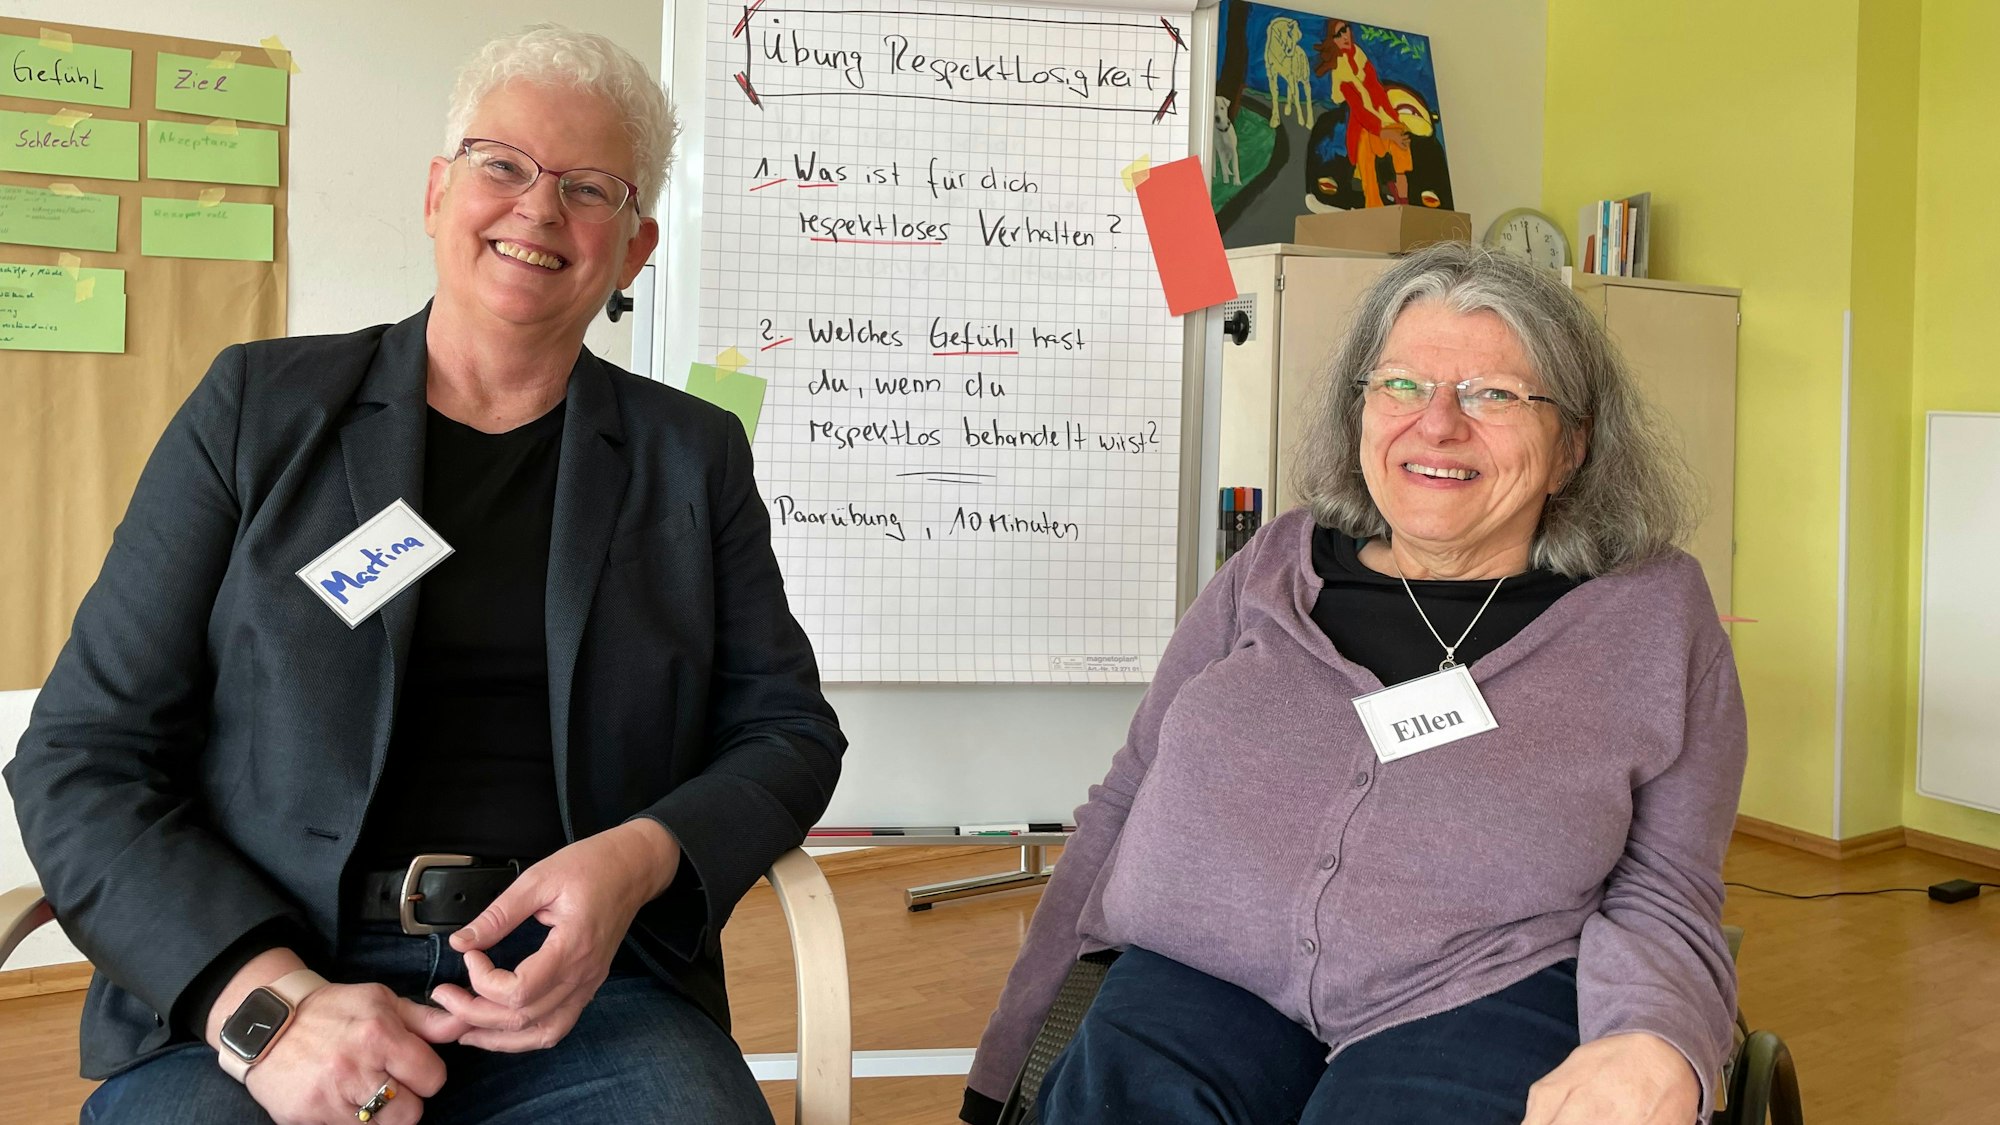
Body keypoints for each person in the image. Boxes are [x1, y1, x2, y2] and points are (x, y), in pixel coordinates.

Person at [5, 24, 843, 1125]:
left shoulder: (688, 456)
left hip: (576, 993)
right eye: (502, 165)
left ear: (634, 249)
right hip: (259, 971)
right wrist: (268, 1009)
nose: (538, 211)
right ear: (439, 191)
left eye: (587, 189)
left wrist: (636, 864)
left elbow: (787, 733)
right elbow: (82, 756)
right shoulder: (259, 411)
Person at [961, 243, 1746, 1125]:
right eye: (1401, 385)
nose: (1439, 424)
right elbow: (1127, 795)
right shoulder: (1272, 565)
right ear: (1361, 412)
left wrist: (1658, 1038)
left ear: (1572, 447)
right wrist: (1003, 1065)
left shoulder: (1649, 613)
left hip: (1479, 991)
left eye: (1493, 394)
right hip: (1197, 971)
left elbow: (1665, 886)